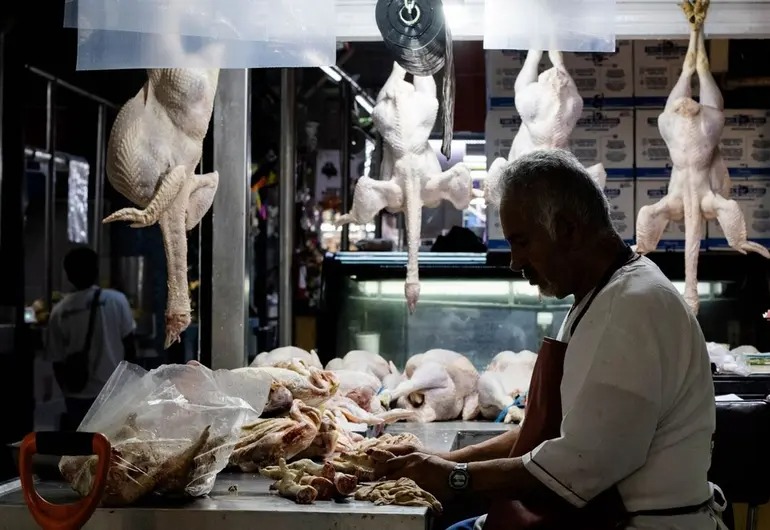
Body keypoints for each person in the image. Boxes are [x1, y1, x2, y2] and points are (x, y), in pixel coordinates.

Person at [372, 149, 722, 530]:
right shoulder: (599, 295)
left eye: (522, 242)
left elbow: (574, 468)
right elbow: (545, 435)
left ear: (568, 229)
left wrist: (456, 478)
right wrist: (442, 460)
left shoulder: (632, 308)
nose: (514, 262)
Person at [45, 246, 137, 429]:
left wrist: (67, 392)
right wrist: (129, 386)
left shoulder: (59, 311)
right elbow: (130, 346)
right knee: (112, 442)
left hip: (77, 395)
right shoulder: (117, 300)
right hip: (113, 392)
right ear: (96, 271)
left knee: (83, 444)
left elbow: (57, 360)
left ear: (68, 275)